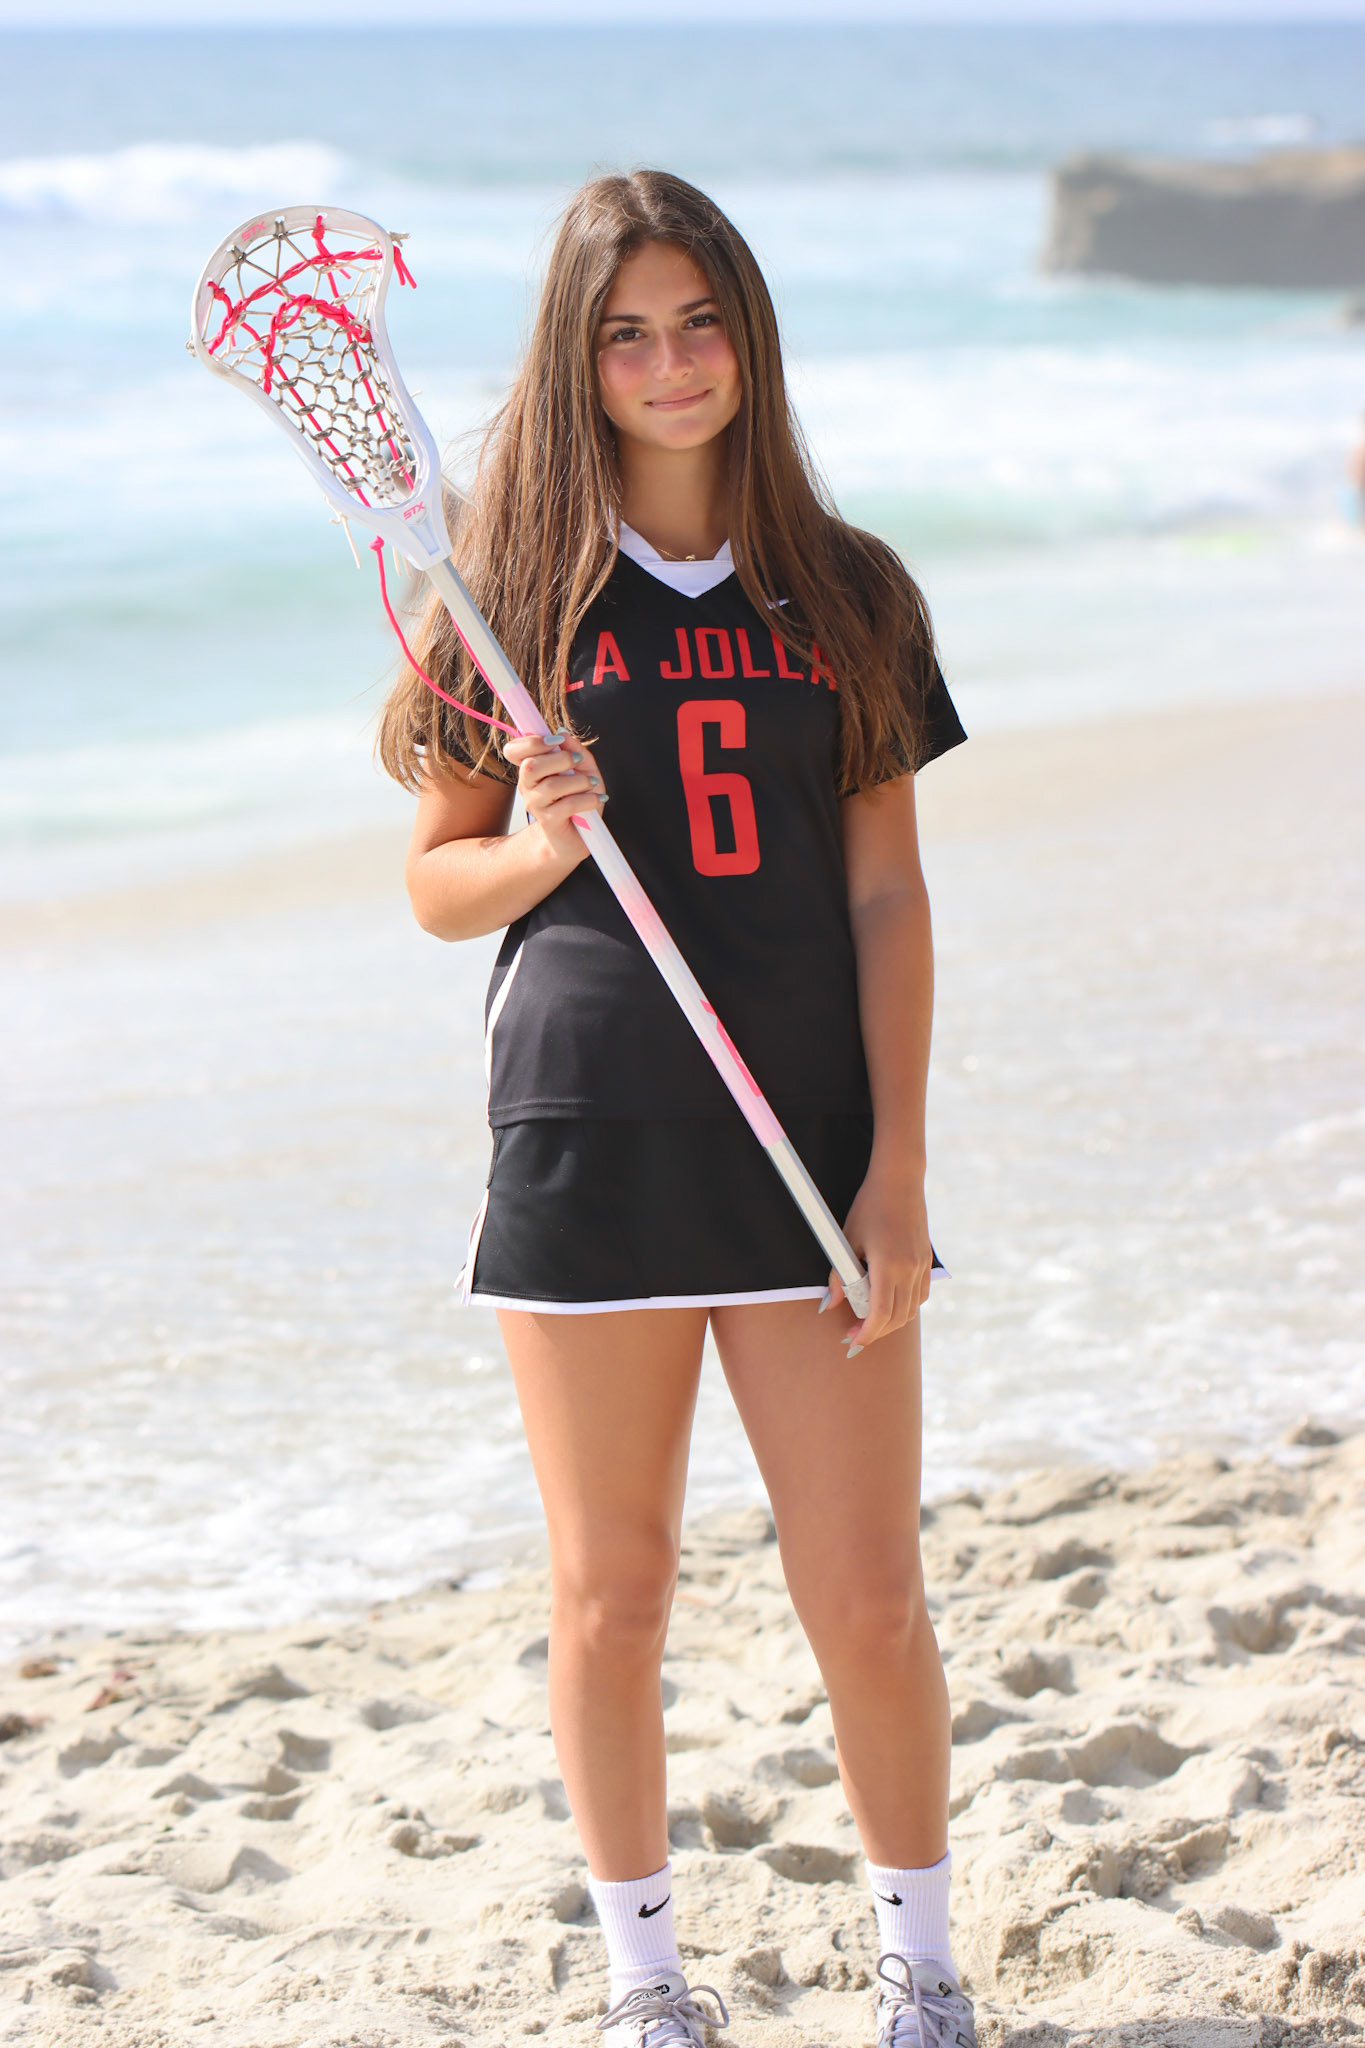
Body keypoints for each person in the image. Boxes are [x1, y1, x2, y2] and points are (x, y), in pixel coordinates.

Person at [378, 170, 972, 2048]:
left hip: (807, 1144)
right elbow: (437, 885)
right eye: (625, 333)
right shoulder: (502, 596)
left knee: (865, 1593)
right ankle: (649, 1990)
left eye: (698, 321)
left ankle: (923, 1969)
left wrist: (897, 1168)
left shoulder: (849, 589)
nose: (668, 363)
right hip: (588, 1130)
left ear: (748, 334)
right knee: (612, 1592)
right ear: (580, 359)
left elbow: (885, 894)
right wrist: (543, 843)